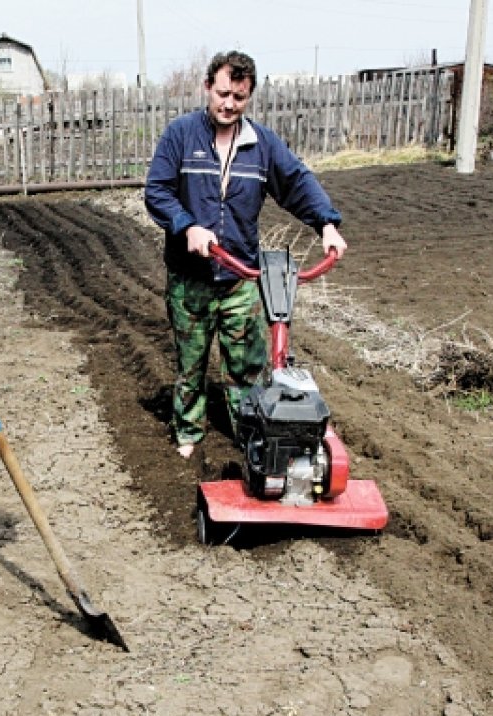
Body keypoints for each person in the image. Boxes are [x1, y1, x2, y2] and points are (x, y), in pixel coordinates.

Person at [144, 50, 347, 459]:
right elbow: (157, 192)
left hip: (241, 278)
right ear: (207, 88)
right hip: (191, 278)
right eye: (222, 94)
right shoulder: (181, 136)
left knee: (247, 369)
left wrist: (326, 223)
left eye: (238, 97)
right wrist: (187, 226)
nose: (228, 104)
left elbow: (296, 182)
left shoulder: (261, 145)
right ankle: (188, 432)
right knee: (191, 364)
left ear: (249, 96)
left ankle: (251, 438)